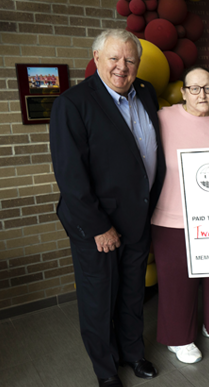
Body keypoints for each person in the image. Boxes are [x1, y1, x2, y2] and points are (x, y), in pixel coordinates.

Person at [49, 29, 166, 387]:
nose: (122, 66)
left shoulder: (146, 93)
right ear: (97, 58)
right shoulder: (73, 103)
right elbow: (71, 177)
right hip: (97, 226)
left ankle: (133, 353)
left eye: (130, 59)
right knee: (99, 300)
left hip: (137, 217)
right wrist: (98, 227)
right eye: (114, 58)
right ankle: (106, 369)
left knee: (132, 294)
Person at [151, 66, 209, 364]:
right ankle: (178, 338)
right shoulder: (164, 118)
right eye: (195, 88)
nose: (203, 94)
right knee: (177, 280)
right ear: (184, 92)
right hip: (172, 216)